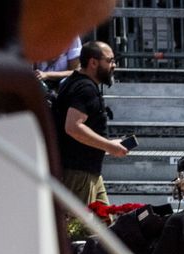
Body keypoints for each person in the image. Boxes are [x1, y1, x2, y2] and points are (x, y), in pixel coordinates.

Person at [51, 40, 127, 207]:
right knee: (81, 229)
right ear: (93, 62)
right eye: (109, 60)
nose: (113, 65)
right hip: (78, 173)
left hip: (88, 172)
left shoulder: (75, 82)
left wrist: (108, 144)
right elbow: (73, 127)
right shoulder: (85, 88)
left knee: (104, 225)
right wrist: (109, 146)